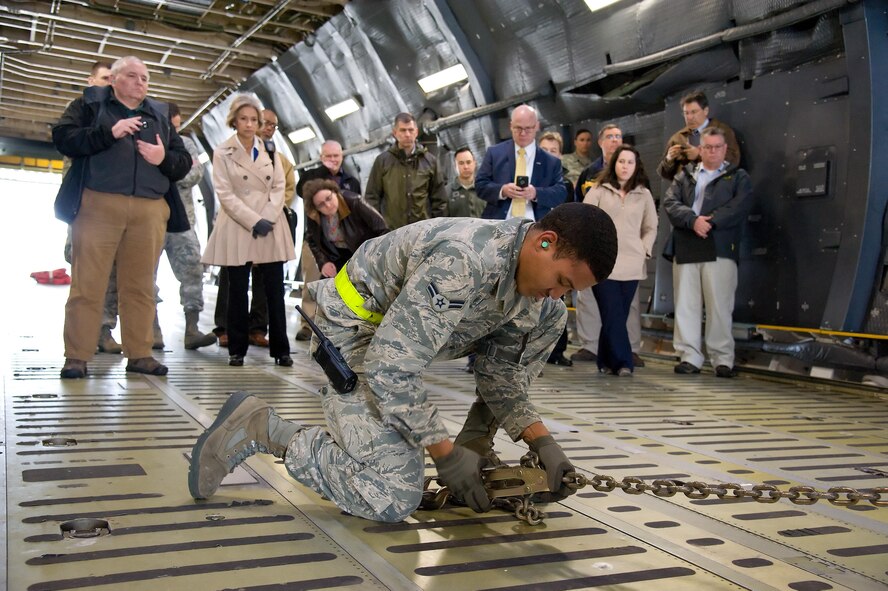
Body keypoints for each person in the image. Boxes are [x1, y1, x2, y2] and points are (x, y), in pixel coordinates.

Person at [189, 203, 618, 523]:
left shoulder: (541, 300)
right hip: (356, 336)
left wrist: (540, 440)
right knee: (394, 493)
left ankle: (476, 447)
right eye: (561, 281)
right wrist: (445, 456)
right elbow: (390, 368)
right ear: (545, 242)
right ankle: (264, 428)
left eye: (570, 290)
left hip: (402, 345)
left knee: (548, 320)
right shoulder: (464, 261)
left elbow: (502, 372)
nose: (558, 295)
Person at [54, 56, 192, 378]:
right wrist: (108, 133)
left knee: (142, 285)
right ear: (113, 80)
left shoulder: (159, 114)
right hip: (98, 205)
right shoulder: (88, 106)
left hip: (148, 208)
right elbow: (63, 138)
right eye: (132, 76)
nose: (140, 82)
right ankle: (77, 355)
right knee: (88, 284)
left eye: (145, 77)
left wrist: (163, 158)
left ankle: (140, 353)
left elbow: (183, 161)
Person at [200, 94, 295, 367]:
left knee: (275, 290)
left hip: (270, 225)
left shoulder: (271, 151)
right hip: (239, 225)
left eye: (254, 119)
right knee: (237, 290)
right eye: (244, 119)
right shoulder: (222, 152)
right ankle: (237, 349)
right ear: (234, 121)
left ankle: (281, 349)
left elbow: (279, 186)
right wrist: (253, 220)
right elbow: (224, 193)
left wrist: (267, 216)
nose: (250, 124)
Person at [663, 127, 753, 378]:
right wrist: (692, 221)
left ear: (725, 149)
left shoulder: (737, 177)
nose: (712, 151)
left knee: (719, 305)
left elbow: (740, 205)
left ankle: (722, 359)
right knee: (686, 304)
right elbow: (670, 202)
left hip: (720, 245)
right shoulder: (685, 175)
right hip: (687, 242)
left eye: (717, 147)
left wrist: (710, 221)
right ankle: (689, 356)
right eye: (707, 147)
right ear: (700, 150)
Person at [571, 123, 646, 368]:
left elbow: (650, 221)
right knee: (593, 302)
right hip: (601, 252)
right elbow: (582, 209)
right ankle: (591, 346)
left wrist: (644, 247)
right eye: (610, 137)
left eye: (618, 136)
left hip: (630, 257)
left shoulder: (640, 186)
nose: (614, 140)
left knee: (625, 307)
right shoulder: (591, 174)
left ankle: (627, 350)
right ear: (601, 142)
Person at [61, 61, 122, 355]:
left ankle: (104, 330)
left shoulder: (124, 114)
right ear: (91, 80)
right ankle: (79, 341)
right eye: (104, 78)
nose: (109, 84)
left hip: (115, 211)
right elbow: (68, 143)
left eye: (114, 80)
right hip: (85, 208)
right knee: (85, 278)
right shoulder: (80, 110)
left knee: (112, 276)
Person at [582, 145, 658, 376]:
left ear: (637, 166)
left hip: (633, 265)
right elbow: (584, 220)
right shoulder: (598, 190)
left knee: (618, 316)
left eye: (630, 162)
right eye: (621, 161)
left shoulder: (643, 194)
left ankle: (605, 361)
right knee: (612, 312)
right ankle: (625, 362)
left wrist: (644, 250)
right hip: (604, 264)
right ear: (614, 164)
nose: (625, 166)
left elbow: (651, 226)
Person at [153, 102, 217, 350]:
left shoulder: (186, 145)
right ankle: (152, 329)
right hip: (151, 222)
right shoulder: (145, 141)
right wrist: (172, 165)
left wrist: (163, 165)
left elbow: (194, 174)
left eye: (177, 126)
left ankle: (192, 329)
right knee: (146, 277)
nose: (174, 130)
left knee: (192, 271)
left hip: (182, 222)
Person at [294, 140, 362, 341]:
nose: (333, 160)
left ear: (342, 156)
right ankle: (307, 324)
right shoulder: (311, 177)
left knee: (343, 285)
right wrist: (323, 174)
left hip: (343, 243)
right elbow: (301, 189)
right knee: (312, 282)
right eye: (328, 156)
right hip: (316, 240)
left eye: (336, 156)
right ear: (322, 157)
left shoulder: (351, 181)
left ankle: (338, 325)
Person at [476, 105, 566, 221]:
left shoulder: (551, 161)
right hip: (498, 223)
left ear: (537, 126)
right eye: (518, 128)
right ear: (510, 126)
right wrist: (502, 190)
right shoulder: (495, 153)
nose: (523, 133)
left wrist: (535, 193)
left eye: (528, 128)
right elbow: (480, 185)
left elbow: (560, 193)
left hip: (536, 226)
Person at [365, 113, 447, 229]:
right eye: (403, 130)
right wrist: (379, 228)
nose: (407, 134)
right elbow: (372, 197)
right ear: (395, 133)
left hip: (422, 230)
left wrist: (437, 228)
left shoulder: (430, 161)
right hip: (393, 232)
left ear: (416, 132)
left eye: (410, 130)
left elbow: (439, 199)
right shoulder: (382, 161)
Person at [537, 131, 573, 367]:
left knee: (558, 298)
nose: (550, 155)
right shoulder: (528, 181)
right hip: (537, 246)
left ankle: (557, 349)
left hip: (560, 247)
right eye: (545, 151)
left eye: (554, 151)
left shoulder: (566, 185)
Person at [303, 179, 388, 277]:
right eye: (321, 204)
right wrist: (323, 262)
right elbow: (312, 240)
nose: (328, 205)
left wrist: (373, 256)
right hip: (338, 257)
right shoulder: (314, 215)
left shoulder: (354, 201)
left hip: (366, 252)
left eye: (329, 198)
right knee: (327, 288)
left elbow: (383, 228)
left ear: (334, 192)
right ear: (316, 208)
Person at [656, 90, 740, 181]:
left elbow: (733, 162)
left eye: (694, 112)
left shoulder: (722, 131)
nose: (689, 117)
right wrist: (668, 160)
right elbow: (664, 174)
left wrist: (699, 155)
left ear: (706, 111)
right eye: (686, 113)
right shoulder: (677, 138)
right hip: (687, 193)